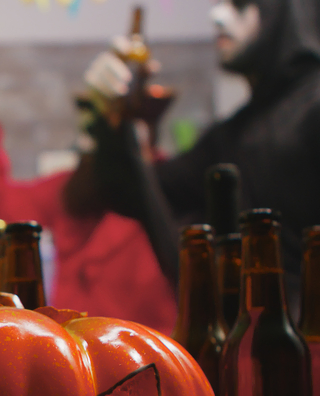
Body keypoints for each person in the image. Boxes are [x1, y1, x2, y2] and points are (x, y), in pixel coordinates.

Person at [83, 0, 320, 313]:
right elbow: (141, 192)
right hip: (247, 343)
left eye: (240, 4)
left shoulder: (312, 110)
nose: (218, 16)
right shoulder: (233, 134)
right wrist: (114, 116)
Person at [0, 82, 177, 334]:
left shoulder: (172, 188)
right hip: (74, 347)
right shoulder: (72, 189)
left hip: (146, 350)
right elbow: (2, 204)